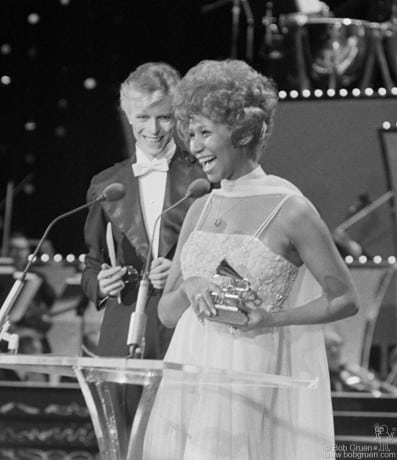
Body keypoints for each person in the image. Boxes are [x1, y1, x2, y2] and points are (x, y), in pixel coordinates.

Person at [143, 59, 359, 460]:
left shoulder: (290, 208)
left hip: (251, 379)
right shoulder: (199, 208)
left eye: (205, 132)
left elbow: (345, 298)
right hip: (189, 378)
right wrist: (190, 285)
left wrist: (272, 319)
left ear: (241, 131)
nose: (194, 146)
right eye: (190, 133)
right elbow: (168, 315)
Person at [80, 62, 205, 451]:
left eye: (165, 117)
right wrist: (99, 284)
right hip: (120, 330)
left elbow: (222, 255)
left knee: (180, 440)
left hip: (181, 326)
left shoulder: (202, 178)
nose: (154, 130)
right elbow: (91, 263)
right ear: (126, 115)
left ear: (179, 115)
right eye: (143, 118)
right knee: (122, 444)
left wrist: (183, 271)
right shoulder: (106, 185)